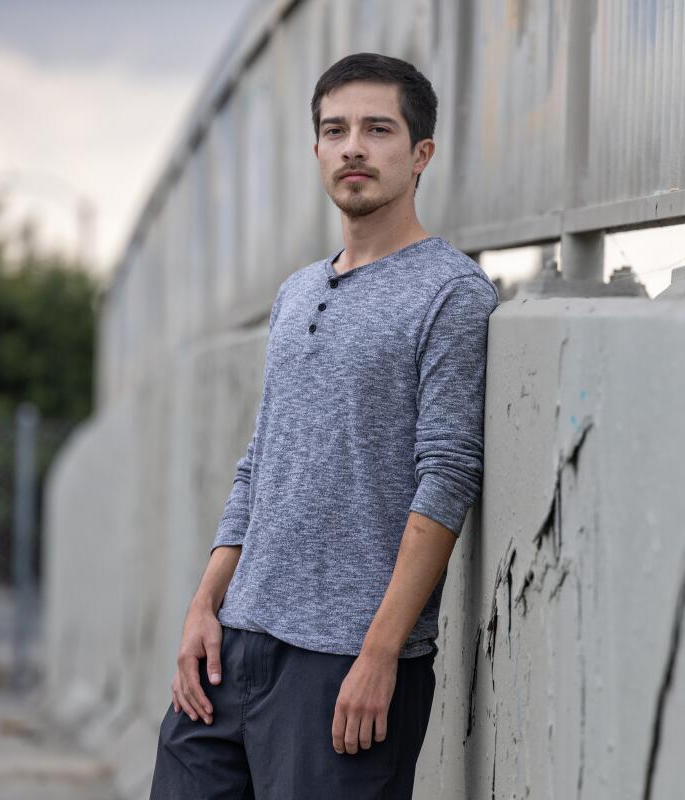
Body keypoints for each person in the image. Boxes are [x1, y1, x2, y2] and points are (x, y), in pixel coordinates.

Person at [149, 52, 498, 798]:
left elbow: (447, 478)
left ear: (420, 153)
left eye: (378, 129)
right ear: (317, 151)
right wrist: (203, 606)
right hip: (233, 647)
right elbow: (260, 461)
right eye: (335, 131)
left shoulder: (451, 292)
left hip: (343, 667)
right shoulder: (297, 290)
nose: (353, 148)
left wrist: (379, 656)